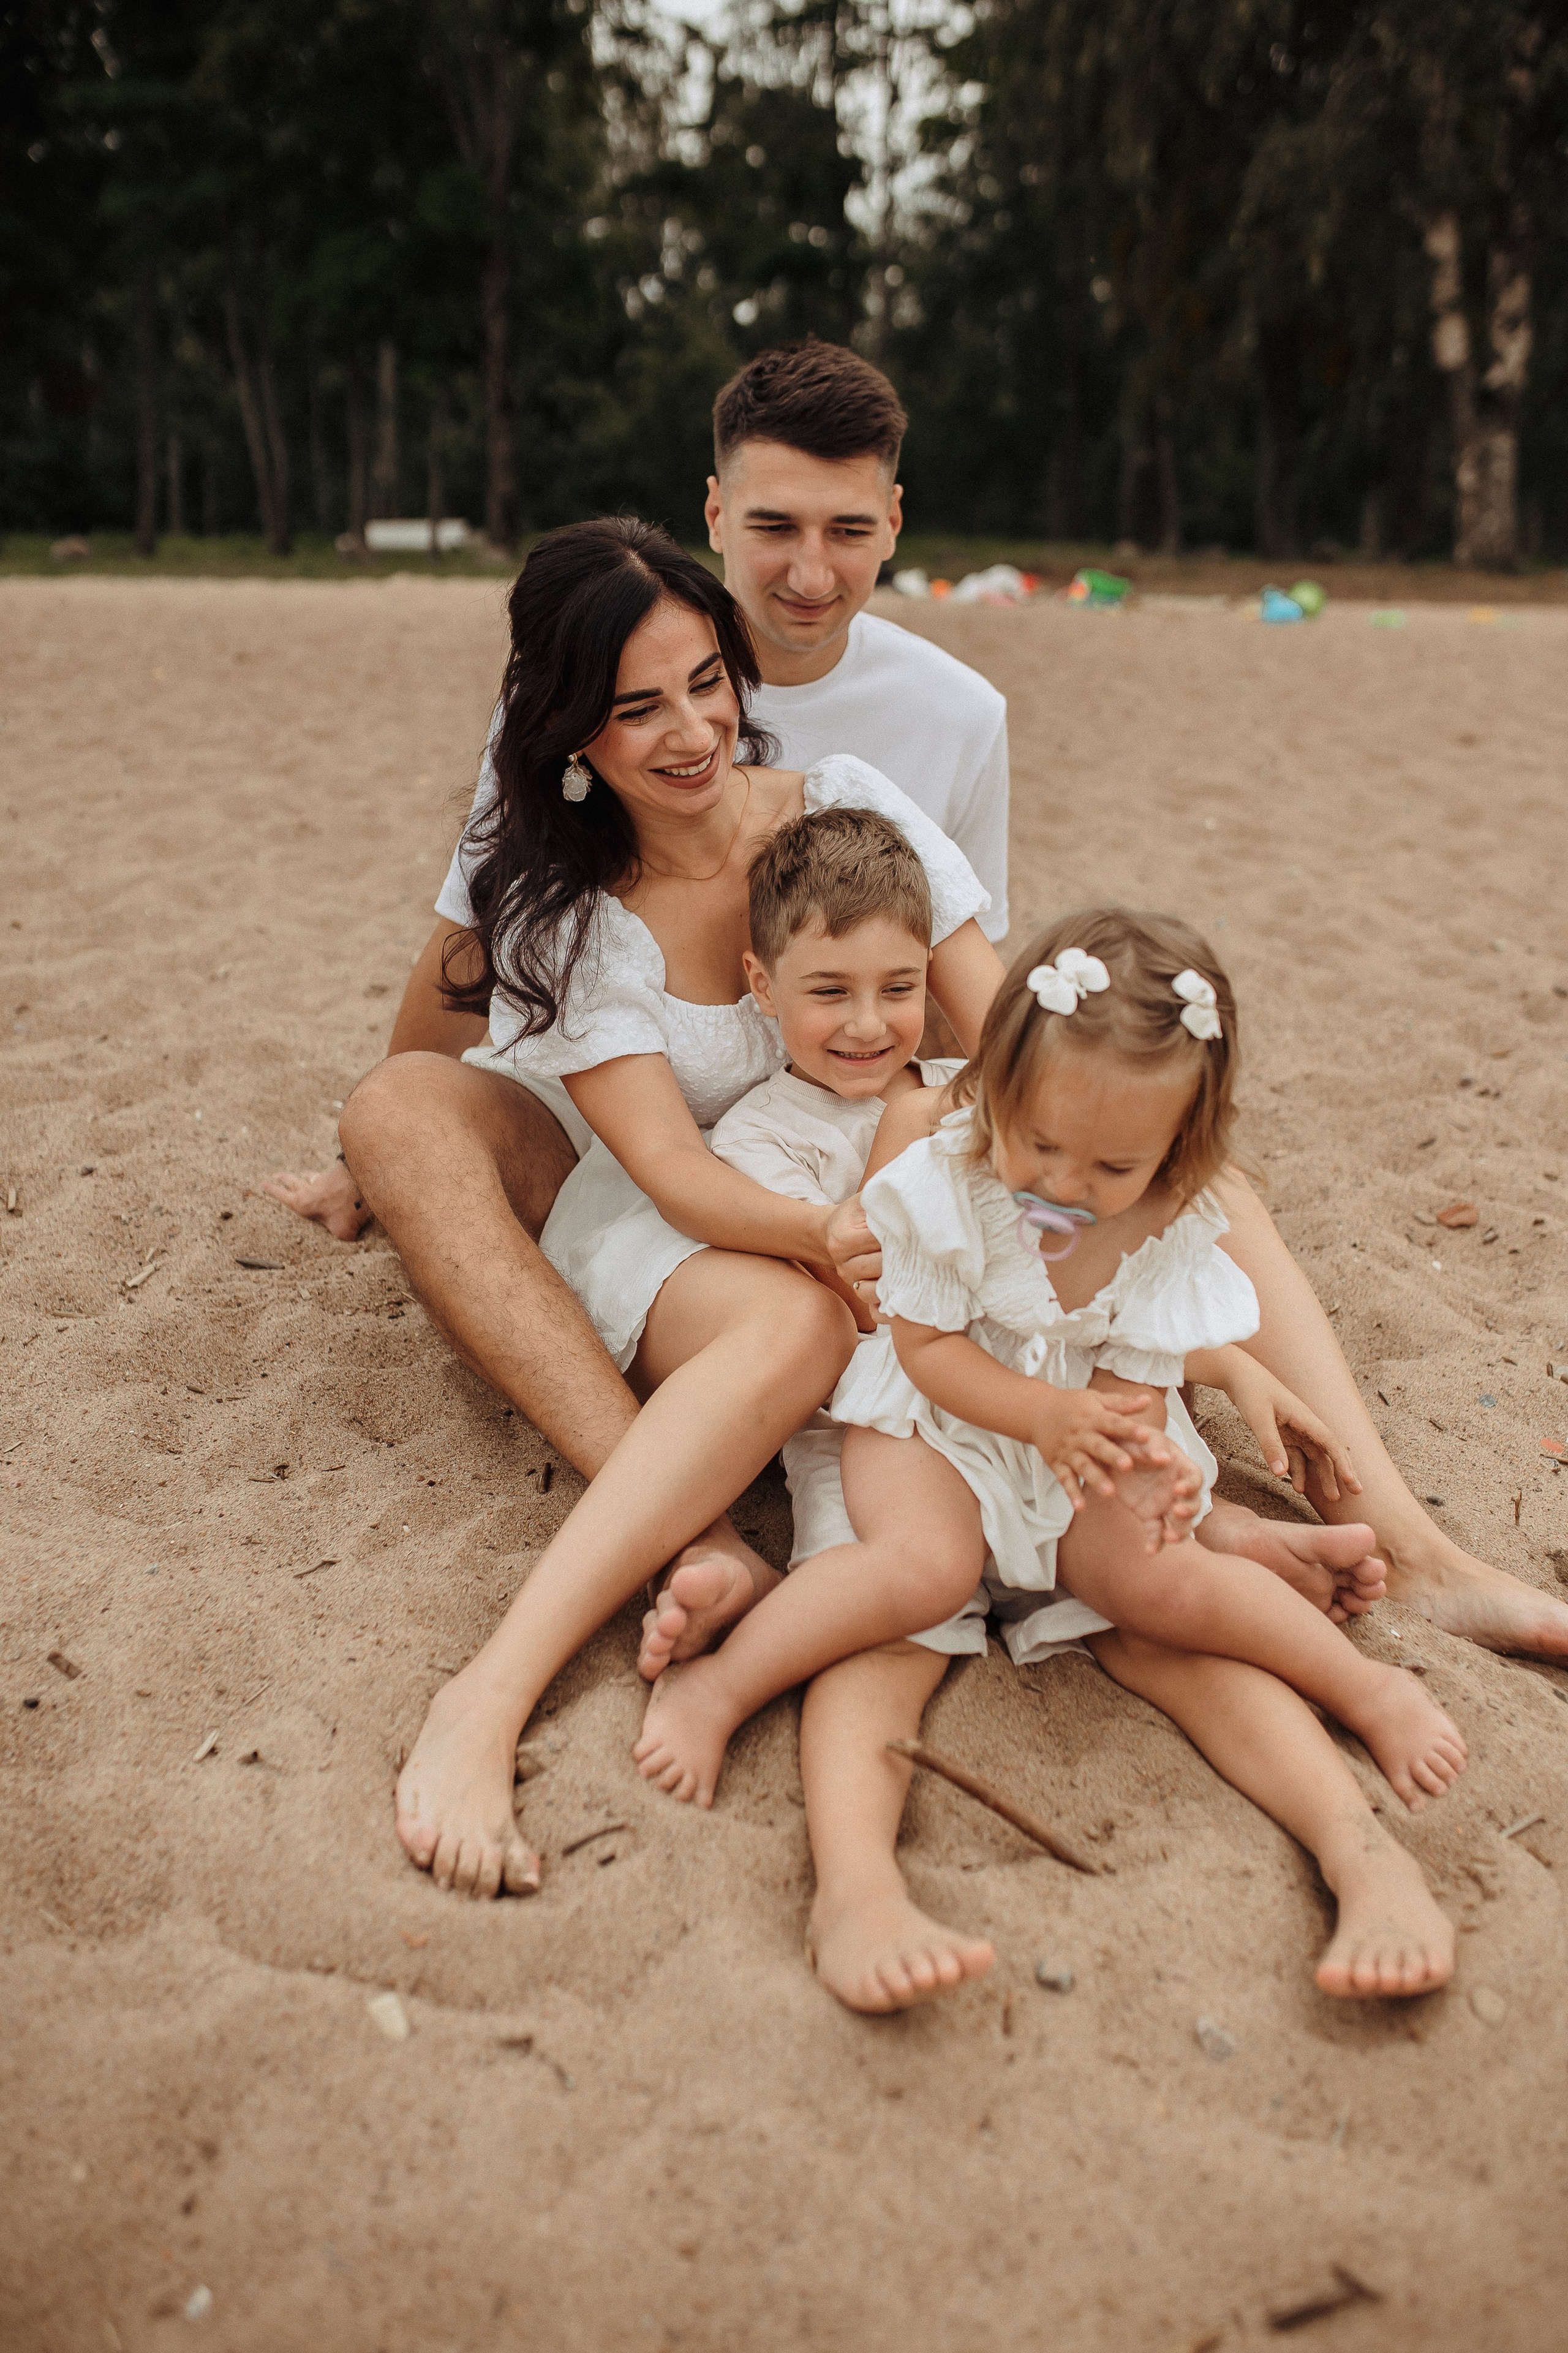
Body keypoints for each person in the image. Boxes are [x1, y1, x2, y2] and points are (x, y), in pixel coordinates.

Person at [263, 338, 1568, 1667]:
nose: (806, 571)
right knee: (399, 1110)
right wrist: (381, 1163)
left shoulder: (932, 725)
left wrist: (964, 1146)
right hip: (627, 1143)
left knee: (1197, 1180)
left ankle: (1396, 1538)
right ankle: (681, 1519)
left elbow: (983, 1015)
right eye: (770, 526)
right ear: (713, 518)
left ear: (894, 521)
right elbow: (458, 974)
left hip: (846, 1104)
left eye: (843, 529)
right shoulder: (591, 700)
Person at [640, 883, 1462, 2006]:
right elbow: (920, 1350)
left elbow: (1136, 1369)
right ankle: (820, 1832)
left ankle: (1362, 1786)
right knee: (906, 1592)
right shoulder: (946, 1175)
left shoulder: (1175, 1217)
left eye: (1113, 1170)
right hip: (923, 1422)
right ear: (998, 1092)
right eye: (1045, 1146)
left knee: (1159, 1588)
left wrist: (1147, 1455)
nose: (1068, 1188)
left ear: (1179, 1153)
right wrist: (1046, 1422)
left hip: (1068, 1428)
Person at [383, 515, 1005, 1897]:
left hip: (836, 1171)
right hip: (680, 1215)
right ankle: (489, 1690)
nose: (687, 730)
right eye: (633, 708)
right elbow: (665, 1172)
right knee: (793, 1327)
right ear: (567, 734)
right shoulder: (568, 904)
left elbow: (999, 1030)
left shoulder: (837, 807)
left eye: (704, 683)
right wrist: (831, 1239)